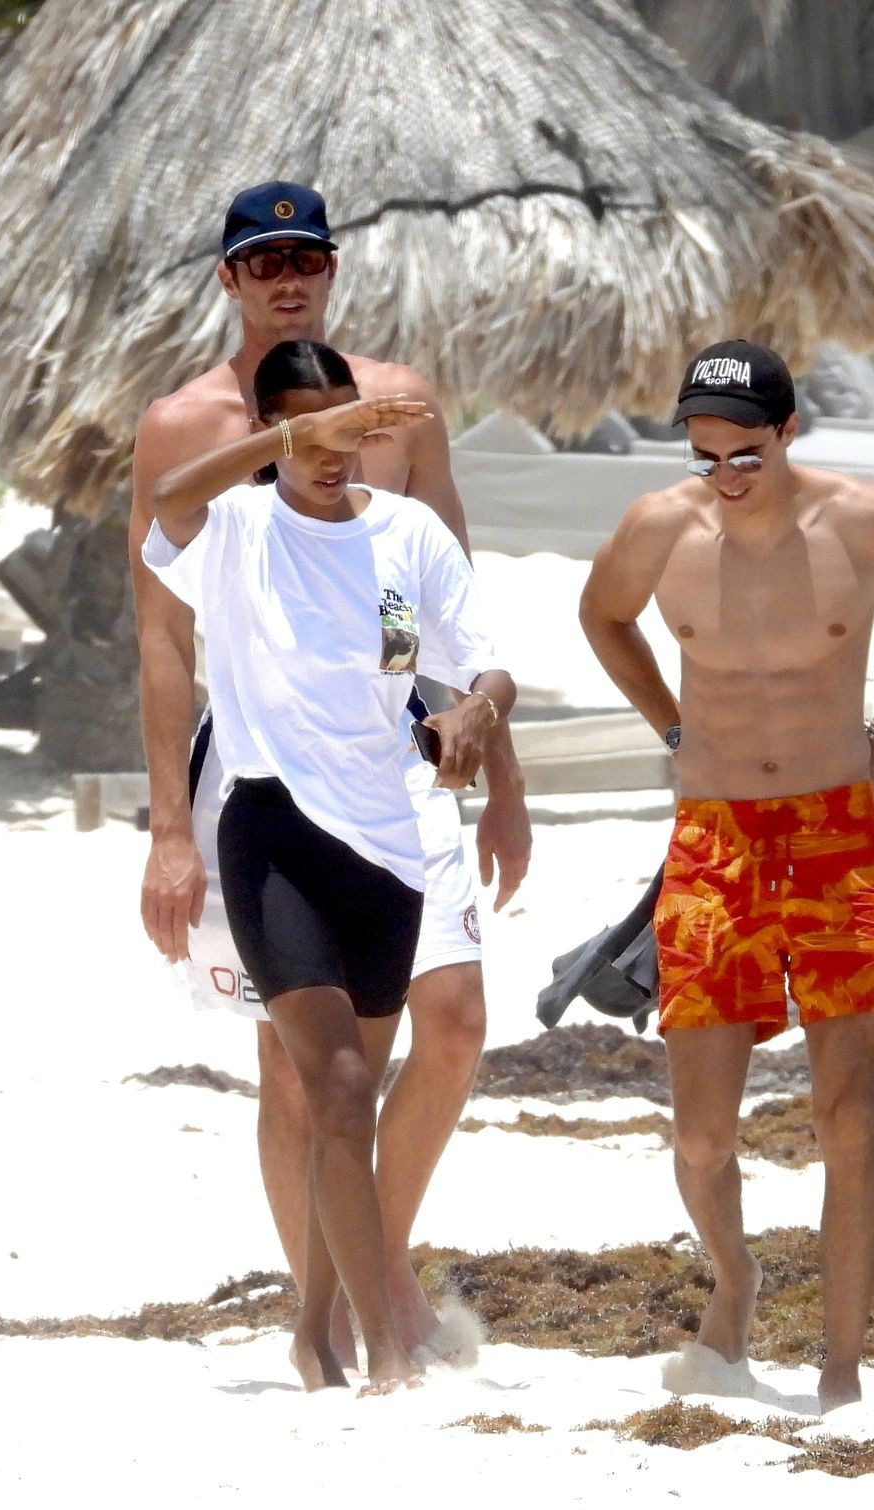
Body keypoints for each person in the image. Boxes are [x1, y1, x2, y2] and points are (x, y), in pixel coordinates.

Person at [128, 181, 530, 1368]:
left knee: (452, 1026)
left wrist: (503, 782)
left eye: (305, 256)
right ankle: (343, 1312)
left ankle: (373, 1277)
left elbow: (451, 609)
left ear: (332, 267)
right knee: (299, 1067)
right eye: (263, 261)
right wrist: (167, 830)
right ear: (228, 278)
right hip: (261, 776)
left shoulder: (399, 405)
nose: (287, 277)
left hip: (401, 757)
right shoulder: (183, 426)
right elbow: (161, 638)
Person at [580, 340, 874, 1411]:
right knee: (702, 1134)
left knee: (845, 1119)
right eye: (705, 455)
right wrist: (671, 725)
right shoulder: (660, 527)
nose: (725, 476)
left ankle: (841, 1371)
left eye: (746, 455)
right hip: (714, 839)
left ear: (789, 430)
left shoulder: (864, 518)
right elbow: (602, 617)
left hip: (838, 836)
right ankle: (737, 1279)